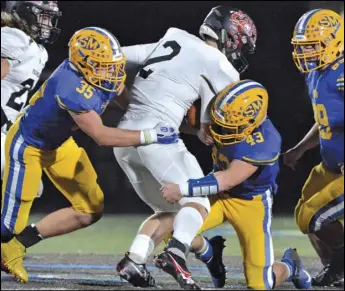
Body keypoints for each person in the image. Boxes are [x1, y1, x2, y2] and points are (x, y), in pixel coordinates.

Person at [1, 26, 179, 284]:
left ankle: (17, 246)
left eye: (112, 64)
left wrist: (143, 118)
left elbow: (121, 96)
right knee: (7, 228)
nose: (113, 72)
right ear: (83, 65)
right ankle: (8, 242)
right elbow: (101, 135)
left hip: (59, 144)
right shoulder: (70, 86)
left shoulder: (101, 72)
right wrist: (149, 135)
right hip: (29, 146)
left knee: (89, 209)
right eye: (103, 66)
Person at [114, 5, 257, 289]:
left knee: (173, 215)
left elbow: (116, 56)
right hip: (159, 138)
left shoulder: (174, 37)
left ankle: (135, 260)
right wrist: (205, 132)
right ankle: (177, 253)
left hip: (124, 136)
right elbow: (210, 128)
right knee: (198, 200)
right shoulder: (222, 66)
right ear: (229, 36)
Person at [160, 79, 312, 290]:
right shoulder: (221, 115)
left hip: (250, 203)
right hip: (218, 196)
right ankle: (210, 252)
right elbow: (192, 124)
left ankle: (291, 265)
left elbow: (228, 178)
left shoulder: (265, 141)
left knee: (260, 284)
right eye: (219, 123)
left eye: (228, 125)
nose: (220, 130)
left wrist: (183, 189)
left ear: (251, 122)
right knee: (174, 231)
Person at [284, 8, 344, 287]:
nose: (306, 52)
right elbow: (324, 119)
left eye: (312, 45)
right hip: (330, 164)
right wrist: (299, 148)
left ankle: (341, 260)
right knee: (302, 215)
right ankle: (336, 269)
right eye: (302, 46)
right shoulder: (317, 72)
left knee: (313, 217)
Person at [1, 1, 62, 199]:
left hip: (6, 132)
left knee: (32, 188)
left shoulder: (37, 50)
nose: (48, 23)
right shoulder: (14, 38)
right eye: (43, 16)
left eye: (50, 18)